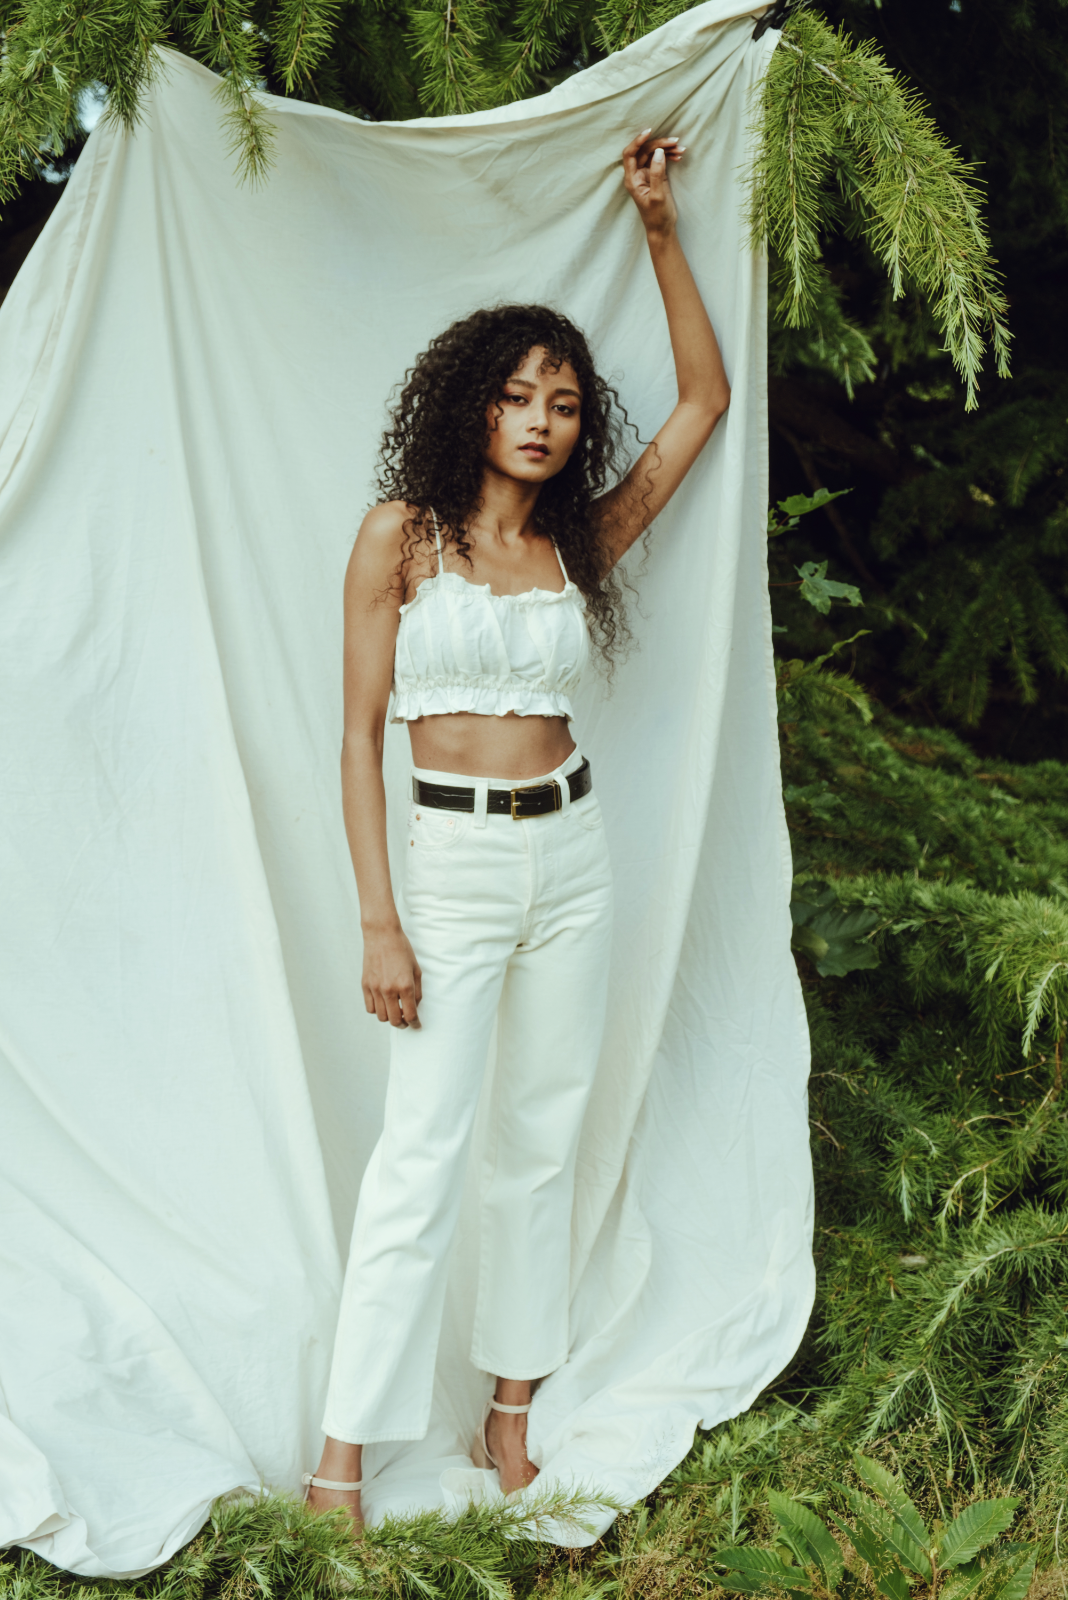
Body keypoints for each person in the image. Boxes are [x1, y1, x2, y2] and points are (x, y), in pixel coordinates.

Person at [303, 129, 730, 1525]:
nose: (541, 420)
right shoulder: (401, 537)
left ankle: (509, 1411)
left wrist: (660, 231)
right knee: (422, 1154)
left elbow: (705, 402)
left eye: (563, 401)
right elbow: (357, 735)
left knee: (538, 1141)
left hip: (574, 858)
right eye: (516, 395)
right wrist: (380, 920)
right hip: (454, 864)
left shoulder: (576, 544)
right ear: (470, 406)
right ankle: (340, 1457)